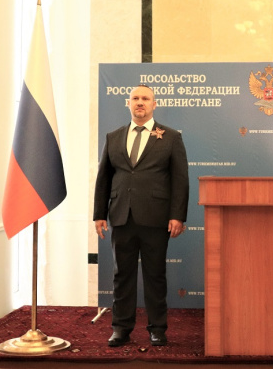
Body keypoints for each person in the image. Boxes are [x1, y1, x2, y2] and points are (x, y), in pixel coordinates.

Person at [93, 84, 189, 347]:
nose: (140, 102)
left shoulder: (170, 137)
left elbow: (180, 180)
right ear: (128, 103)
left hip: (156, 218)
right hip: (121, 216)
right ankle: (121, 328)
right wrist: (99, 213)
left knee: (155, 275)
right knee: (121, 275)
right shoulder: (114, 137)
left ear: (154, 104)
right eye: (135, 98)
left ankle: (157, 328)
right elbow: (104, 178)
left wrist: (177, 215)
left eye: (145, 98)